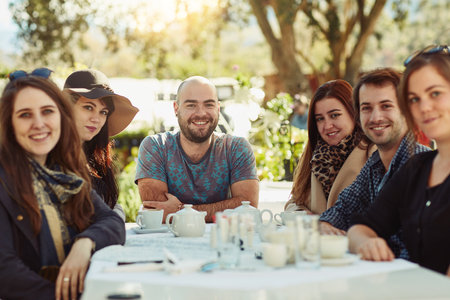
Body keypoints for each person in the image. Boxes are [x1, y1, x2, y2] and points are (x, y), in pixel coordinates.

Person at [0, 71, 125, 300]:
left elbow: (112, 221)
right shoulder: (4, 182)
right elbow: (6, 272)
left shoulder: (64, 176)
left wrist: (86, 242)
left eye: (47, 111)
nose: (39, 124)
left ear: (60, 117)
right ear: (9, 124)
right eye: (25, 115)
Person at [348, 45, 450, 276]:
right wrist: (366, 242)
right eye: (414, 99)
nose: (424, 107)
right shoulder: (418, 168)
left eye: (435, 93)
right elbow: (361, 228)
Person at [319, 68, 430, 259]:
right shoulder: (374, 164)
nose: (375, 117)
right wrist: (325, 224)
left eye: (386, 106)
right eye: (366, 108)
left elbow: (410, 250)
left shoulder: (422, 165)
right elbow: (343, 209)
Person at [135, 76, 259, 222]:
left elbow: (247, 207)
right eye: (191, 105)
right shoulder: (156, 147)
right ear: (176, 108)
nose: (201, 113)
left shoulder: (235, 148)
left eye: (209, 105)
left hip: (221, 240)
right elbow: (156, 211)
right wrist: (219, 210)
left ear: (218, 108)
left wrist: (180, 210)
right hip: (169, 240)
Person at [285, 79, 373, 214]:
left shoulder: (373, 152)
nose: (327, 126)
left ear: (353, 113)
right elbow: (294, 202)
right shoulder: (315, 154)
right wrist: (305, 216)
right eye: (320, 119)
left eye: (334, 115)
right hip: (315, 234)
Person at [63, 69, 139, 221]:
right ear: (66, 107)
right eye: (88, 107)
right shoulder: (51, 157)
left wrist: (112, 219)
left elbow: (114, 208)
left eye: (103, 112)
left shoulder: (95, 159)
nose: (96, 119)